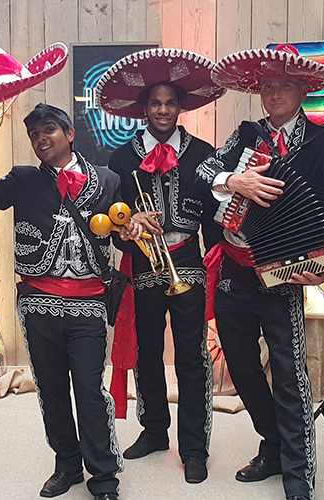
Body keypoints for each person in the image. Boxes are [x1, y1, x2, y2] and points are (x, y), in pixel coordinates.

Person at [196, 44, 324, 500]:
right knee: (242, 367)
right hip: (234, 266)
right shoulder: (245, 134)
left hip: (285, 275)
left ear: (304, 90)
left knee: (288, 370)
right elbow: (207, 169)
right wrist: (234, 181)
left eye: (285, 84)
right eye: (267, 86)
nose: (275, 93)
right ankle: (273, 442)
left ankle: (299, 471)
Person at [0, 104, 124, 500]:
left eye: (49, 130)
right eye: (34, 135)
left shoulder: (109, 180)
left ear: (69, 133)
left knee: (89, 389)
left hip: (88, 305)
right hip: (38, 302)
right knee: (51, 388)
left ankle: (104, 477)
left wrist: (130, 229)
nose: (41, 139)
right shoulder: (23, 179)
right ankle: (66, 464)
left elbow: (120, 235)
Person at [94, 48, 224, 484]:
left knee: (191, 357)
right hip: (142, 263)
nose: (163, 110)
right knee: (147, 352)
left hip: (186, 260)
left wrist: (217, 271)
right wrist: (128, 225)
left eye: (170, 102)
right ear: (143, 108)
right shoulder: (121, 158)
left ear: (180, 106)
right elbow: (110, 220)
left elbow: (215, 221)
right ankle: (153, 431)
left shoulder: (204, 154)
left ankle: (194, 447)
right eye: (155, 103)